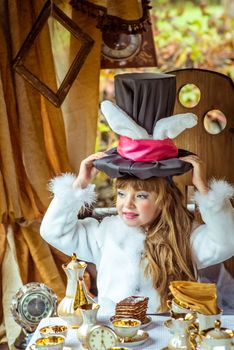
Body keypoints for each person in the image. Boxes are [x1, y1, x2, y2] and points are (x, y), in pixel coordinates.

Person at [40, 73, 234, 315]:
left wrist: (203, 190)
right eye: (121, 194)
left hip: (169, 332)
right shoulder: (104, 233)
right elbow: (52, 231)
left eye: (141, 196)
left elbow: (227, 241)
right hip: (115, 332)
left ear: (163, 200)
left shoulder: (185, 237)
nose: (127, 205)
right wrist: (78, 185)